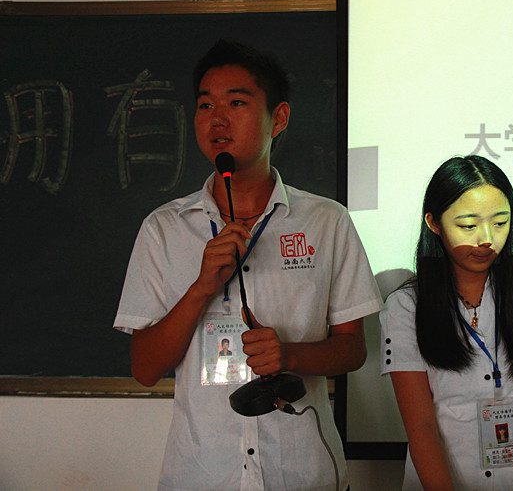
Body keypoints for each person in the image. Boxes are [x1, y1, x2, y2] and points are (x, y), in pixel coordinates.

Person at [114, 39, 382, 490]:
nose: (217, 119)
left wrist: (290, 355)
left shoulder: (326, 221)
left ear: (279, 118)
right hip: (203, 475)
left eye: (236, 102)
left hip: (301, 473)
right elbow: (144, 368)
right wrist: (201, 287)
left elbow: (352, 349)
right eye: (205, 105)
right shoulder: (164, 228)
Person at [380, 155, 513, 490]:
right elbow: (421, 425)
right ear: (434, 223)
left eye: (500, 223)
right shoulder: (406, 306)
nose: (486, 239)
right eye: (468, 226)